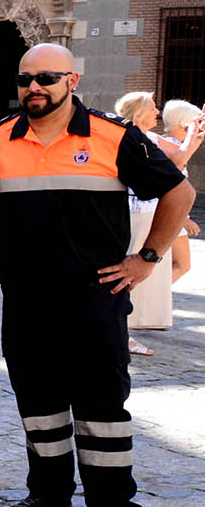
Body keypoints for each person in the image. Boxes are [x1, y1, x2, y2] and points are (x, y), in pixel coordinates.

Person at [0, 44, 193, 507]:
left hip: (94, 301)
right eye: (25, 78)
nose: (34, 87)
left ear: (72, 80)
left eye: (47, 78)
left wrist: (146, 258)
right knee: (39, 406)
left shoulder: (113, 135)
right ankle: (50, 495)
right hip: (28, 302)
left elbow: (179, 194)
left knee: (103, 410)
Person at [115, 93, 173, 345]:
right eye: (152, 108)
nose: (157, 113)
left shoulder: (149, 137)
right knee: (127, 274)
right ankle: (123, 333)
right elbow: (178, 161)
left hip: (147, 214)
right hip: (135, 215)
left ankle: (124, 330)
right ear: (138, 112)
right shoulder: (136, 138)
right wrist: (194, 133)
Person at [159, 99, 202, 284]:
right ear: (185, 124)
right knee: (182, 264)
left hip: (171, 214)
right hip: (172, 215)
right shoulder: (172, 147)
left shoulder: (167, 143)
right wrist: (185, 219)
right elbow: (165, 185)